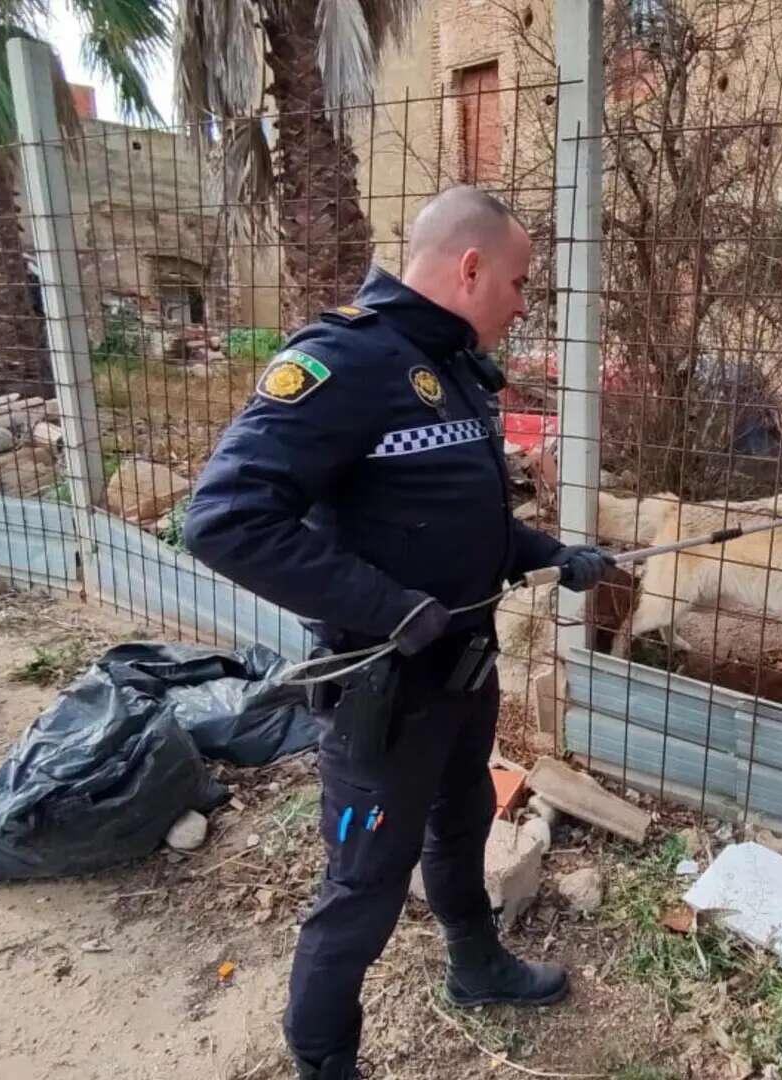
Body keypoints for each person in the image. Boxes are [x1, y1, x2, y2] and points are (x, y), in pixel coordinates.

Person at [180, 186, 611, 1080]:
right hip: (386, 691)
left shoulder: (451, 364)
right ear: (470, 267)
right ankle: (324, 1057)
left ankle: (476, 965)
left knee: (462, 827)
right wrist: (386, 607)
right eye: (521, 283)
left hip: (464, 669)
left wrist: (550, 552)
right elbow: (224, 518)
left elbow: (454, 521)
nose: (524, 304)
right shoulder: (345, 361)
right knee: (364, 888)